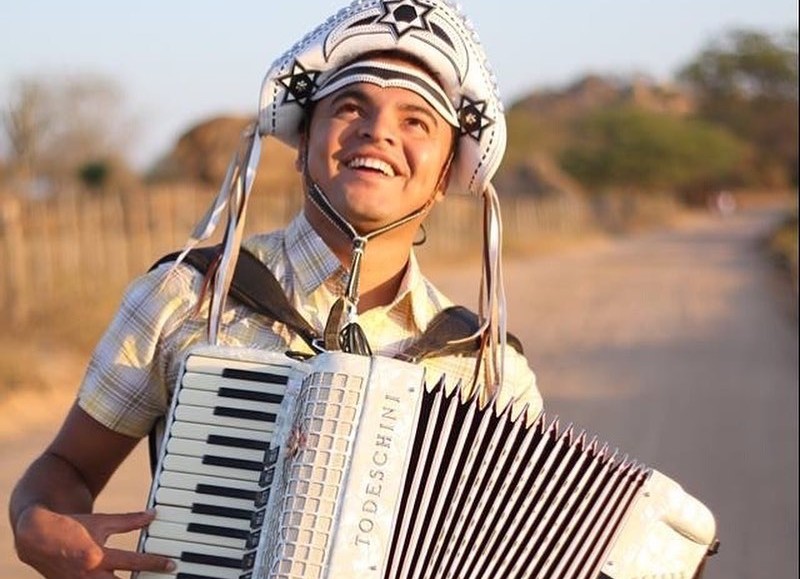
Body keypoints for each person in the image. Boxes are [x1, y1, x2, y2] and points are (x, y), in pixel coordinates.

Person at [9, 1, 542, 577]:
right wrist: (38, 521)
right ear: (304, 141)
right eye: (350, 105)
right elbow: (66, 466)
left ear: (444, 176)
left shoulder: (488, 369)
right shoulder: (188, 295)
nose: (378, 130)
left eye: (416, 121)